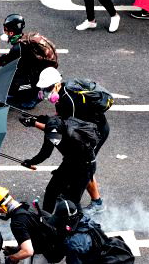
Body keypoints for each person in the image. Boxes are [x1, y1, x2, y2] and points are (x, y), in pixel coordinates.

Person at [32, 67, 111, 212]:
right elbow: (62, 120)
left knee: (84, 164)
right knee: (76, 162)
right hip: (85, 129)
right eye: (44, 89)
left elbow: (69, 133)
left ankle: (97, 202)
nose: (46, 92)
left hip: (95, 133)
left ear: (57, 84)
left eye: (48, 88)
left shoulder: (69, 101)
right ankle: (71, 188)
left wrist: (37, 124)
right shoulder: (64, 94)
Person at [20, 114, 99, 214]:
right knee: (51, 191)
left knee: (72, 200)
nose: (54, 140)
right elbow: (45, 151)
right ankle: (45, 219)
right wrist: (35, 121)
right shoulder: (56, 127)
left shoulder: (57, 132)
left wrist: (30, 162)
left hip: (84, 166)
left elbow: (45, 153)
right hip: (72, 162)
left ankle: (81, 224)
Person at [0, 14, 59, 109]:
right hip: (40, 69)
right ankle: (35, 90)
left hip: (36, 74)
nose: (5, 32)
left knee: (13, 81)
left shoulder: (18, 48)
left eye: (6, 30)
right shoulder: (27, 39)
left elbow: (1, 62)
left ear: (11, 33)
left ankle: (32, 97)